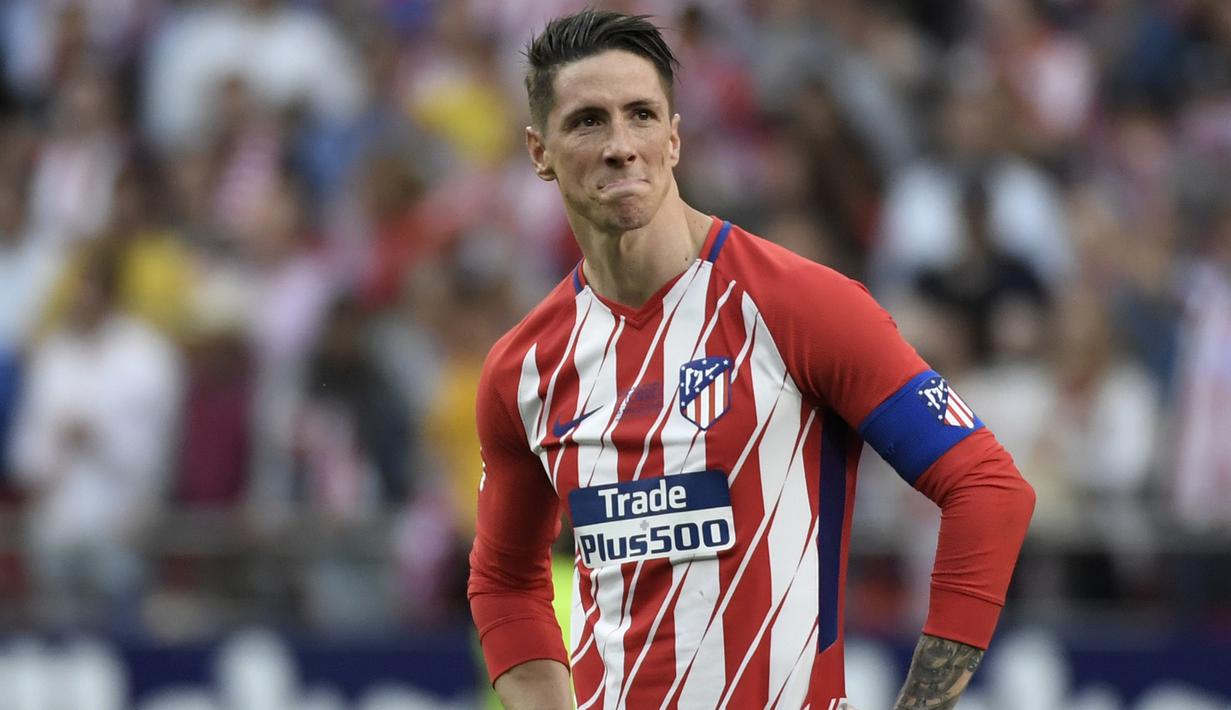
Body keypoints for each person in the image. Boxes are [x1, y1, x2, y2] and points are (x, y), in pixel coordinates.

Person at [468, 10, 1036, 710]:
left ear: (673, 139)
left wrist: (923, 705)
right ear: (538, 150)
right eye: (588, 121)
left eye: (641, 115)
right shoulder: (522, 368)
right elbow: (502, 580)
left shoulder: (796, 306)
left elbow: (986, 486)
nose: (620, 145)